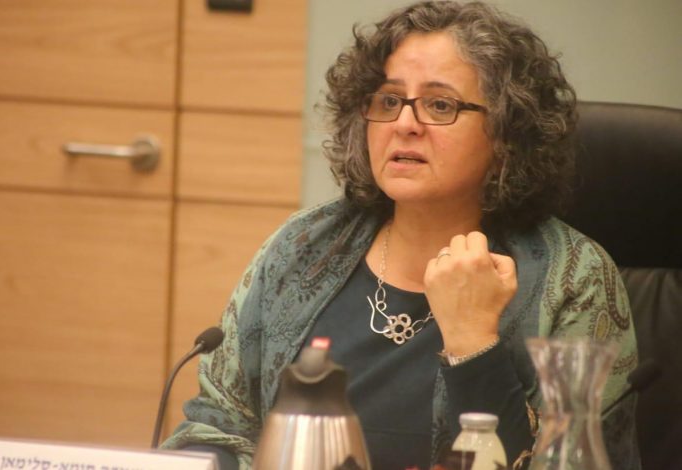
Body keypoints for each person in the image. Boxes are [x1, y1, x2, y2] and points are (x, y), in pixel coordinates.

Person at [162, 2, 640, 469]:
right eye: (389, 101)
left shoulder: (575, 277)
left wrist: (473, 342)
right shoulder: (303, 246)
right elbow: (217, 427)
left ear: (506, 135)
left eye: (440, 105)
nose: (404, 124)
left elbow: (575, 458)